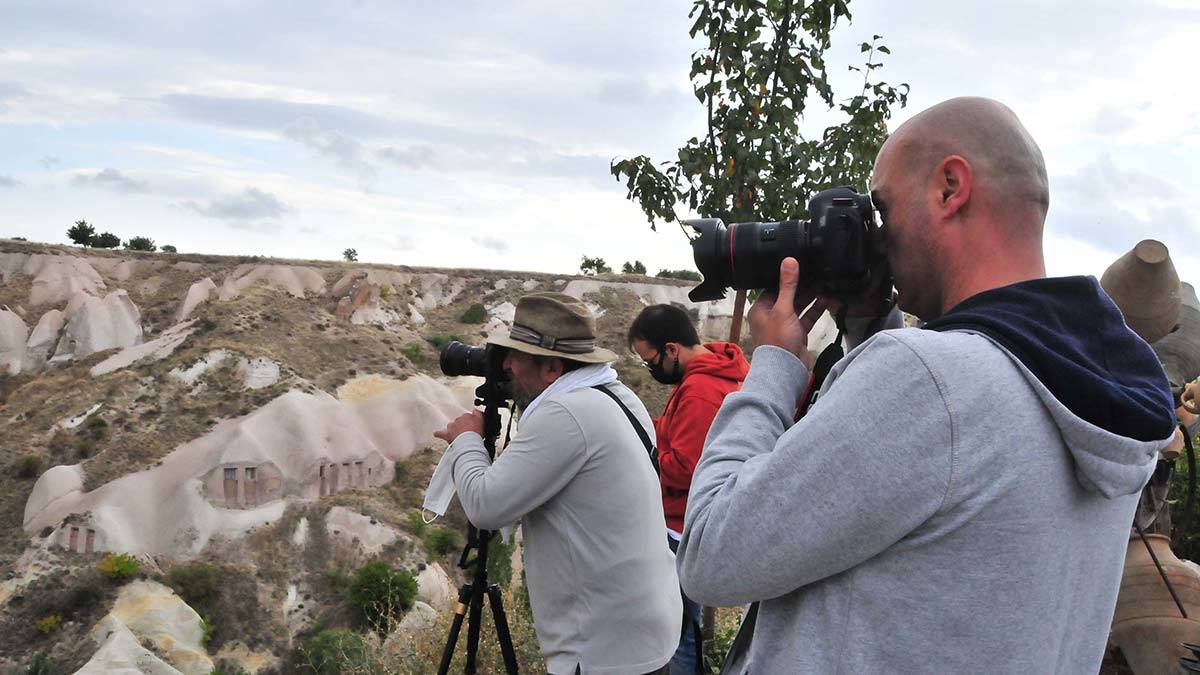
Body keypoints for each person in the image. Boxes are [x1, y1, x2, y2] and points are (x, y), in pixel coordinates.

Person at [675, 97, 1177, 673]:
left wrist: (771, 367)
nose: (877, 238)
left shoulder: (930, 381)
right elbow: (931, 539)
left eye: (883, 210)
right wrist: (867, 329)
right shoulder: (1095, 381)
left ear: (950, 187)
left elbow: (711, 557)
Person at [434, 292, 681, 675]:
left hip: (602, 651)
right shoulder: (617, 395)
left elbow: (485, 507)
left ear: (551, 368)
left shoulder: (566, 412)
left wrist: (466, 438)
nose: (507, 366)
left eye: (515, 356)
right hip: (642, 632)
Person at [627, 304, 748, 673]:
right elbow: (681, 436)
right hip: (698, 521)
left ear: (672, 350)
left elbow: (686, 467)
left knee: (674, 634)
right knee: (682, 626)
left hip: (678, 527)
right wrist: (648, 427)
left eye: (651, 361)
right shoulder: (723, 370)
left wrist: (643, 453)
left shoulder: (699, 391)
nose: (652, 370)